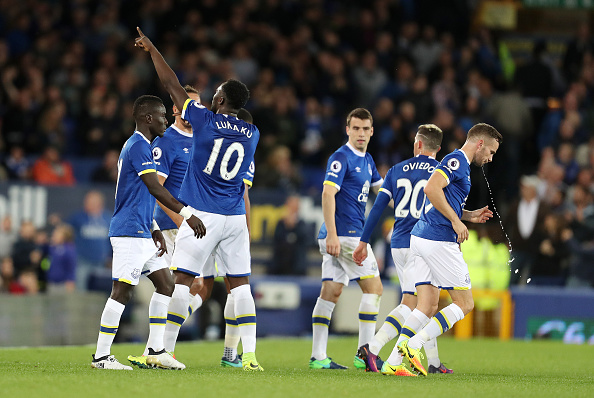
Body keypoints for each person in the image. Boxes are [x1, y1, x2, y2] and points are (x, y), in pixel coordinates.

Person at [135, 28, 263, 371]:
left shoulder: (204, 120)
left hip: (202, 216)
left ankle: (166, 351)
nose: (212, 96)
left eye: (216, 93)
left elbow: (171, 84)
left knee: (184, 281)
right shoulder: (253, 133)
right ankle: (249, 357)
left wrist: (152, 50)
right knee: (240, 286)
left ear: (219, 101)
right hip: (235, 217)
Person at [91, 94, 206, 371]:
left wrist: (154, 227)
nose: (166, 120)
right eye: (162, 116)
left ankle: (156, 350)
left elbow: (140, 194)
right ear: (147, 118)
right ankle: (101, 356)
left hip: (143, 230)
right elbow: (156, 188)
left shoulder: (143, 145)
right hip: (129, 231)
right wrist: (187, 215)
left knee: (166, 285)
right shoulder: (138, 146)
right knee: (121, 291)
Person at [390, 123, 501, 376]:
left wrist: (468, 215)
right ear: (480, 143)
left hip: (421, 237)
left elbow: (443, 200)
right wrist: (455, 221)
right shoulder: (457, 160)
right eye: (491, 151)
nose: (491, 158)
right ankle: (414, 344)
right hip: (438, 239)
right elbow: (431, 189)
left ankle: (393, 361)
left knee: (426, 305)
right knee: (465, 303)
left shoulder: (461, 164)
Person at [353, 124, 451, 376]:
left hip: (398, 242)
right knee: (414, 303)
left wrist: (364, 241)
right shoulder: (441, 171)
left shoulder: (397, 170)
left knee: (426, 302)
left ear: (417, 143)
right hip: (425, 242)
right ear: (438, 149)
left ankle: (433, 361)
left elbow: (377, 208)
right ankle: (372, 348)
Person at [310, 108, 384, 370]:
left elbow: (382, 191)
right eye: (356, 128)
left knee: (331, 292)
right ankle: (366, 353)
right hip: (344, 236)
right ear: (348, 129)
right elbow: (328, 194)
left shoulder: (367, 160)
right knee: (374, 289)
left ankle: (318, 357)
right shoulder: (341, 157)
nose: (361, 133)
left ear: (372, 131)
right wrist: (332, 233)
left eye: (365, 129)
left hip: (340, 236)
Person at [68, 190, 112, 290]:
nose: (87, 204)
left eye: (91, 202)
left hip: (102, 262)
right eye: (87, 202)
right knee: (81, 288)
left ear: (100, 203)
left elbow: (113, 240)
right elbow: (66, 232)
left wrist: (111, 257)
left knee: (100, 290)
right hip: (83, 261)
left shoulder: (108, 218)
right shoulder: (78, 217)